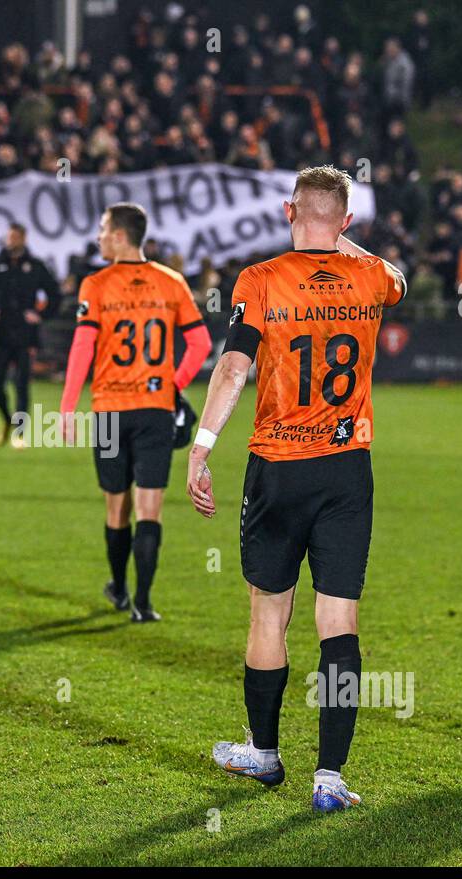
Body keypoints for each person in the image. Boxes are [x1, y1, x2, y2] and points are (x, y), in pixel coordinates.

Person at [186, 165, 406, 812]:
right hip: (346, 467)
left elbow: (232, 367)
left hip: (279, 467)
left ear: (288, 212)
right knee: (338, 620)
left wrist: (201, 449)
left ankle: (263, 751)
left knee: (268, 610)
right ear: (344, 222)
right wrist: (346, 239)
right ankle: (331, 776)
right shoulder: (369, 275)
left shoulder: (259, 281)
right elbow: (394, 275)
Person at [59, 203, 212, 622]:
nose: (99, 236)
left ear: (121, 236)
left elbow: (82, 347)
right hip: (155, 410)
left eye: (104, 229)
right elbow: (199, 346)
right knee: (150, 509)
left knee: (115, 508)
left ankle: (119, 589)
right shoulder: (172, 282)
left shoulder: (96, 284)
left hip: (110, 410)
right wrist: (172, 384)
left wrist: (67, 406)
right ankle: (144, 603)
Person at [0, 223, 60, 448]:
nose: (11, 241)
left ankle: (20, 433)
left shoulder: (36, 266)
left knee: (21, 384)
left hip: (25, 336)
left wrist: (41, 314)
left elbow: (54, 294)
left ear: (23, 238)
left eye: (15, 237)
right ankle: (7, 420)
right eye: (9, 237)